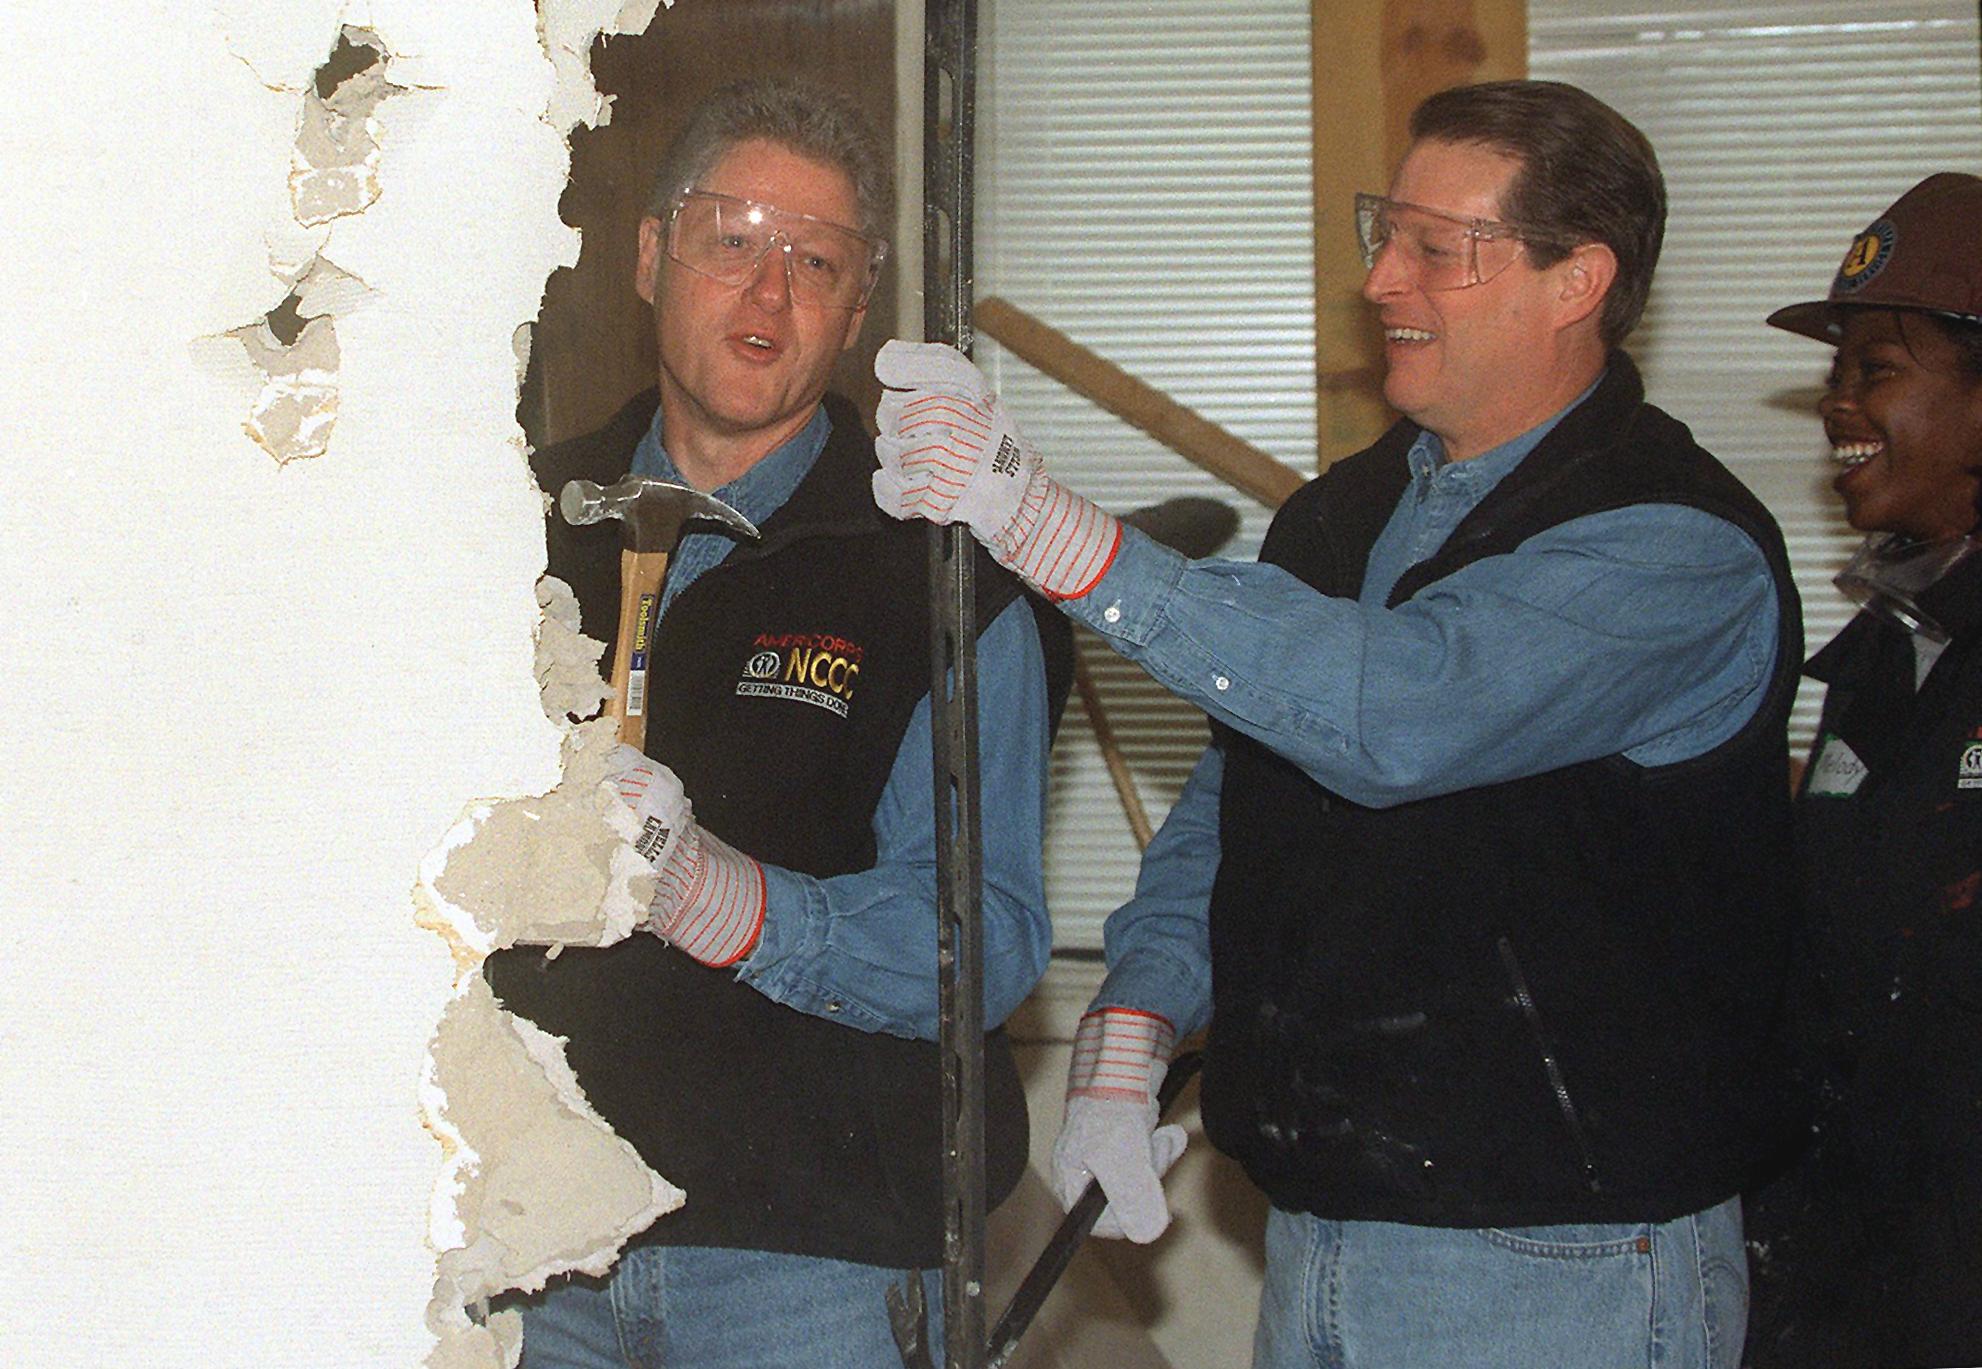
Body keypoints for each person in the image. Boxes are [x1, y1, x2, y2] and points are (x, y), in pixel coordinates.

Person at [872, 79, 1804, 1368]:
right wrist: (1135, 1019)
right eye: (1385, 231)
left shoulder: (1673, 547)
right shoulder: (1340, 516)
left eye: (1436, 246)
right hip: (1319, 1237)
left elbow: (1393, 712)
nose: (1378, 280)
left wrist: (1053, 530)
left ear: (1574, 279)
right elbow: (1241, 799)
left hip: (1562, 1268)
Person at [484, 79, 1071, 1368]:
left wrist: (725, 901)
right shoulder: (494, 522)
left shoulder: (945, 575)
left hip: (812, 1260)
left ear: (859, 311)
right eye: (731, 238)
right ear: (649, 256)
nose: (768, 294)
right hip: (525, 1239)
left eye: (816, 260)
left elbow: (985, 939)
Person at [1743, 171, 1982, 1369]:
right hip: (1835, 1290)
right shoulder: (1879, 656)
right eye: (1835, 373)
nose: (1835, 403)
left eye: (1875, 369)